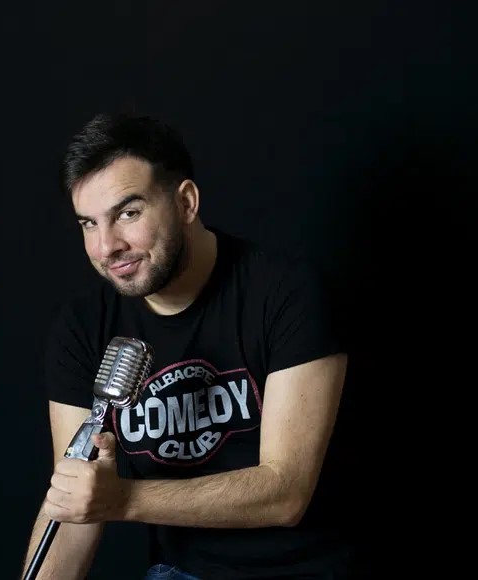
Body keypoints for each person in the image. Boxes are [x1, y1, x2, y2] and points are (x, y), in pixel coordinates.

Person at [21, 112, 354, 579]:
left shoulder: (285, 293)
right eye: (89, 224)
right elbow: (76, 504)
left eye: (128, 213)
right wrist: (89, 499)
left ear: (186, 203)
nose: (106, 246)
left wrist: (124, 499)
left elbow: (286, 493)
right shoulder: (83, 329)